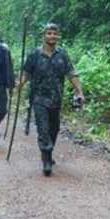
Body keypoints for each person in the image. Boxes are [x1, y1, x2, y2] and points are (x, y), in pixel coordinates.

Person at [18, 23, 84, 177]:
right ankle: (46, 159)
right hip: (39, 98)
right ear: (44, 36)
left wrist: (79, 91)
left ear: (58, 36)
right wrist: (20, 84)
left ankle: (48, 151)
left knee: (54, 129)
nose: (52, 36)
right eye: (49, 33)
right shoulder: (34, 54)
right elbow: (26, 73)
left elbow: (71, 73)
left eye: (54, 33)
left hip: (56, 99)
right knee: (43, 129)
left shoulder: (62, 54)